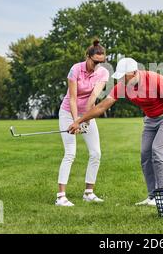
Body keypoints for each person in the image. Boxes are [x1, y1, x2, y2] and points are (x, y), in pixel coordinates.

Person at [68, 57, 163, 206]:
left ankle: (162, 196)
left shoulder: (155, 79)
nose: (122, 80)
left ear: (134, 73)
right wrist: (78, 121)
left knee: (158, 151)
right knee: (145, 155)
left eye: (124, 76)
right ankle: (152, 197)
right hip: (150, 120)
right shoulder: (123, 86)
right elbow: (101, 107)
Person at [55, 39, 109, 206]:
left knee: (96, 153)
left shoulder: (102, 73)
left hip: (86, 114)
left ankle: (88, 193)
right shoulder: (75, 69)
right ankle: (60, 197)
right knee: (70, 153)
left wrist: (84, 119)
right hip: (67, 112)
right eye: (95, 62)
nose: (98, 66)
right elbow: (72, 98)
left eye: (101, 62)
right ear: (87, 56)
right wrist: (75, 121)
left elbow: (92, 98)